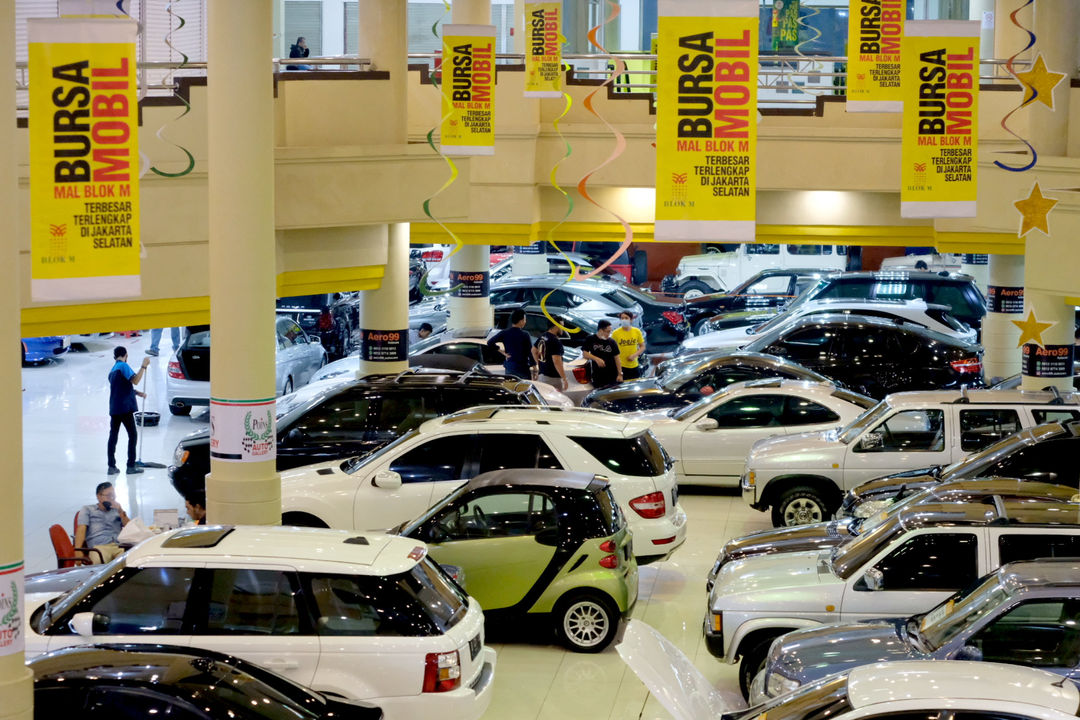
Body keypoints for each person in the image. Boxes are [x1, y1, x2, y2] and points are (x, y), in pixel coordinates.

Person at [108, 346, 149, 475]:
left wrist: (138, 393)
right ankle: (130, 466)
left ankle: (111, 466)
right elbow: (135, 380)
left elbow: (122, 387)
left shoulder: (112, 371)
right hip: (125, 408)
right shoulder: (123, 366)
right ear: (126, 355)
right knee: (133, 435)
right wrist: (143, 366)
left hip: (114, 408)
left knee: (113, 436)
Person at [74, 482, 130, 564]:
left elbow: (130, 527)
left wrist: (121, 511)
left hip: (118, 546)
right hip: (99, 547)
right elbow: (81, 529)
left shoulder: (117, 510)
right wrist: (78, 550)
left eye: (113, 496)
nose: (111, 498)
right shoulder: (88, 509)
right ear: (99, 496)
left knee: (130, 565)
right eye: (108, 495)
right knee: (99, 565)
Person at [487, 308, 537, 379]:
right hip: (522, 368)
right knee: (524, 388)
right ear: (520, 321)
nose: (525, 322)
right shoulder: (525, 334)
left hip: (510, 367)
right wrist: (534, 368)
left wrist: (502, 352)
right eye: (524, 320)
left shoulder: (504, 333)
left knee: (511, 388)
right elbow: (529, 352)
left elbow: (490, 342)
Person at [582, 319, 621, 388]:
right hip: (598, 376)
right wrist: (596, 359)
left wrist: (620, 374)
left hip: (612, 375)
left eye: (610, 332)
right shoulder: (590, 339)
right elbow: (585, 353)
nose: (609, 334)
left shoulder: (612, 342)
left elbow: (617, 359)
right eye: (607, 332)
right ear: (600, 330)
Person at [533, 320, 568, 390]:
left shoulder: (543, 336)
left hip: (542, 375)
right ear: (555, 326)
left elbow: (533, 350)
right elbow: (556, 361)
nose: (563, 329)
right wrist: (564, 379)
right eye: (562, 326)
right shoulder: (555, 341)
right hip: (552, 379)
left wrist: (540, 364)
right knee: (556, 400)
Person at [612, 311, 646, 381]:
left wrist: (634, 355)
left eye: (626, 318)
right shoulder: (615, 333)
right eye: (622, 318)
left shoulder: (637, 331)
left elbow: (642, 347)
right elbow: (613, 350)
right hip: (621, 366)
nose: (624, 320)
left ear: (631, 320)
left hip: (634, 365)